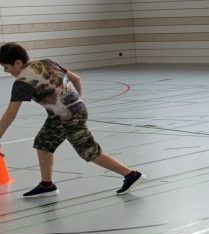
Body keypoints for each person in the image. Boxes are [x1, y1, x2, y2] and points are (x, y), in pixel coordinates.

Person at [0, 42, 143, 198]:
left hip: (70, 118)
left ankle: (131, 175)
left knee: (89, 151)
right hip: (64, 114)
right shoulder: (47, 63)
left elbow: (10, 114)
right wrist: (76, 101)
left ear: (18, 63)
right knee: (43, 143)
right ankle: (47, 185)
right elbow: (76, 78)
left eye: (6, 67)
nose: (6, 71)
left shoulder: (23, 82)